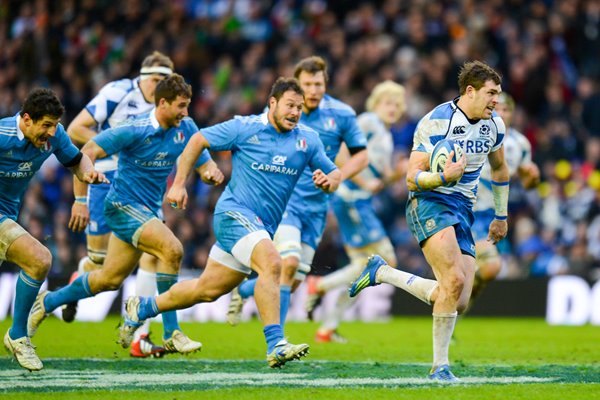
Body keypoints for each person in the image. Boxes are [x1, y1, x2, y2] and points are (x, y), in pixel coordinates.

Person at [119, 77, 341, 368]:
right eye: (290, 105)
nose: (295, 112)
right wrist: (180, 184)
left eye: (299, 108)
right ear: (272, 103)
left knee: (206, 290)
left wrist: (328, 182)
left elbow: (334, 172)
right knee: (273, 263)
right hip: (233, 214)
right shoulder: (245, 127)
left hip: (261, 227)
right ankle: (276, 344)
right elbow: (198, 139)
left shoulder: (307, 139)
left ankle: (142, 308)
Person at [27, 74, 223, 357]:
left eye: (188, 105)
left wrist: (209, 171)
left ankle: (47, 301)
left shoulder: (186, 127)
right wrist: (81, 199)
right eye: (181, 105)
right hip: (121, 206)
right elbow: (87, 150)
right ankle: (171, 332)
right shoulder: (134, 129)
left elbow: (199, 155)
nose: (186, 112)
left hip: (148, 211)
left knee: (109, 279)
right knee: (171, 250)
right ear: (163, 103)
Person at [349, 60, 509, 382]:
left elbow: (501, 170)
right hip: (430, 201)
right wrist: (442, 177)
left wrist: (501, 215)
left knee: (457, 299)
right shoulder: (437, 122)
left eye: (498, 94)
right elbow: (411, 179)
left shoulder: (495, 126)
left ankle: (382, 272)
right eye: (491, 93)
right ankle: (440, 367)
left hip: (463, 208)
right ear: (470, 91)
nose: (496, 100)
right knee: (452, 281)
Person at [227, 56, 368, 327]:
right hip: (286, 202)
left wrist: (337, 177)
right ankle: (277, 341)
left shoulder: (342, 115)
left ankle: (244, 290)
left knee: (292, 281)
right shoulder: (286, 112)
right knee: (288, 264)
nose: (313, 90)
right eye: (307, 84)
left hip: (317, 207)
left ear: (326, 83)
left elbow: (361, 157)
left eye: (318, 84)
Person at [66, 51, 175, 357]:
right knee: (101, 264)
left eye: (165, 81)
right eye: (155, 79)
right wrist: (119, 142)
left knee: (153, 256)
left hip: (144, 187)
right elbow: (76, 129)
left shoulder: (166, 107)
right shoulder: (118, 92)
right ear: (142, 77)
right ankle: (79, 277)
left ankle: (140, 334)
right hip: (107, 179)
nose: (159, 86)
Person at [1, 88, 108, 371]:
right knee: (39, 259)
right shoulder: (2, 136)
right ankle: (18, 335)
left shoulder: (55, 136)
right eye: (45, 125)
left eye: (54, 125)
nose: (51, 132)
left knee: (37, 262)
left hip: (7, 215)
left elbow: (77, 160)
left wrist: (88, 173)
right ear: (26, 119)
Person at [304, 80, 407, 343]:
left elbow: (379, 180)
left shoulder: (384, 134)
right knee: (386, 261)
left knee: (363, 271)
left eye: (397, 104)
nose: (393, 108)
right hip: (351, 199)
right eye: (388, 102)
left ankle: (327, 328)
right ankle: (320, 285)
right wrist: (362, 182)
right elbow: (339, 154)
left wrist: (398, 173)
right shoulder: (369, 121)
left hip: (360, 201)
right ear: (376, 103)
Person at [469, 92, 540, 307]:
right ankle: (456, 302)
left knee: (491, 270)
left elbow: (527, 184)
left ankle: (456, 303)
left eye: (506, 109)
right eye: (497, 108)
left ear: (512, 114)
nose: (501, 113)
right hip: (472, 211)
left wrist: (533, 178)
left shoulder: (521, 144)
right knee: (492, 267)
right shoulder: (475, 135)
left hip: (498, 215)